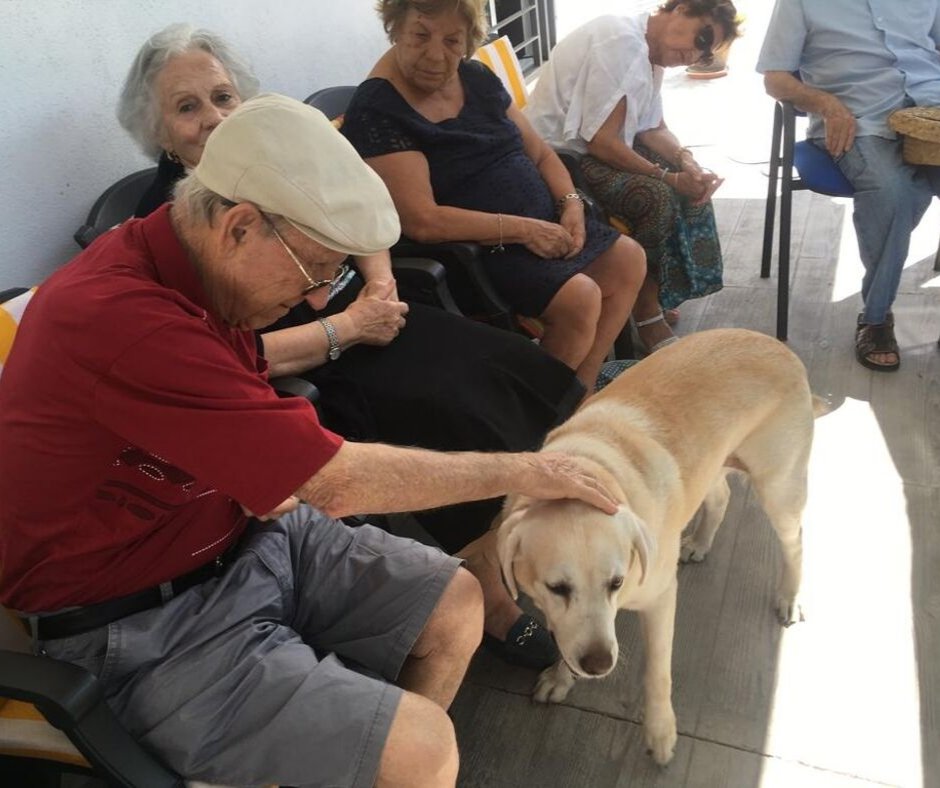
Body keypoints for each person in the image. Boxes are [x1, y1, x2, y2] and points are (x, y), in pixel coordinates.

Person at [0, 93, 620, 788]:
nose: (323, 296)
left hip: (239, 536)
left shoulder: (185, 252)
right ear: (239, 227)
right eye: (317, 271)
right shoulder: (122, 319)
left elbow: (265, 417)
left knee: (459, 604)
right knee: (425, 753)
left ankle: (359, 760)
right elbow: (335, 483)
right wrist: (530, 472)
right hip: (138, 624)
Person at [118, 23, 588, 667]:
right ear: (159, 130)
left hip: (370, 309)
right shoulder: (172, 217)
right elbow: (229, 353)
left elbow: (361, 211)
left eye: (222, 97)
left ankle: (526, 545)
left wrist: (381, 285)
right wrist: (346, 330)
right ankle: (491, 597)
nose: (212, 118)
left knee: (503, 365)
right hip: (309, 355)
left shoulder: (275, 157)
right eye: (187, 107)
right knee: (451, 411)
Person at [340, 0, 647, 391]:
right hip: (475, 253)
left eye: (452, 41)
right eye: (420, 36)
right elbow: (423, 219)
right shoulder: (379, 111)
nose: (436, 55)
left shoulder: (477, 78)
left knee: (628, 259)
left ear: (469, 43)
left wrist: (570, 204)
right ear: (394, 29)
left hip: (539, 227)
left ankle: (578, 392)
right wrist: (523, 230)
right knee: (581, 298)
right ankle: (537, 410)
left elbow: (539, 152)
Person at [525, 0, 740, 354]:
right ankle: (643, 312)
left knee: (692, 188)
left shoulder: (650, 49)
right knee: (656, 196)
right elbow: (602, 143)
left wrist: (688, 163)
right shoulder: (621, 40)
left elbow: (652, 127)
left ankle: (653, 294)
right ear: (681, 7)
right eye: (702, 37)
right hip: (558, 160)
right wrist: (668, 177)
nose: (695, 54)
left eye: (705, 53)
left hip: (589, 149)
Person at [758, 0, 940, 372]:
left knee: (903, 194)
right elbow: (775, 77)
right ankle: (875, 318)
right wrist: (826, 104)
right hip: (858, 119)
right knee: (894, 194)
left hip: (932, 110)